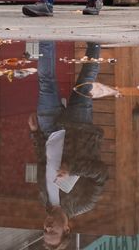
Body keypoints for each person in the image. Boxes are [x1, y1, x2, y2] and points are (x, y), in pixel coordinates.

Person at [29, 41, 108, 249]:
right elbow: (101, 174)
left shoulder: (44, 199)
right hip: (79, 128)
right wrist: (72, 169)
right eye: (52, 231)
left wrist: (35, 134)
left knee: (45, 81)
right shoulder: (83, 203)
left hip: (49, 129)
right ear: (66, 229)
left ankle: (45, 35)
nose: (47, 227)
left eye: (44, 231)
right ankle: (95, 40)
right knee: (86, 79)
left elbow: (41, 161)